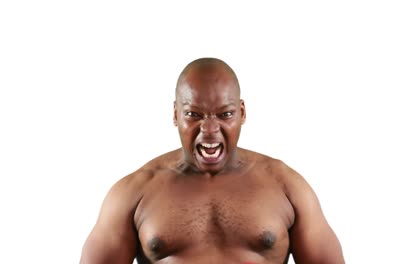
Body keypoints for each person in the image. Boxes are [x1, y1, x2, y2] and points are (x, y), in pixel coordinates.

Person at [80, 58, 345, 264]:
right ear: (176, 115)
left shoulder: (287, 186)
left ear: (241, 113)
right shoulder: (133, 193)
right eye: (193, 114)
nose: (209, 129)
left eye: (224, 114)